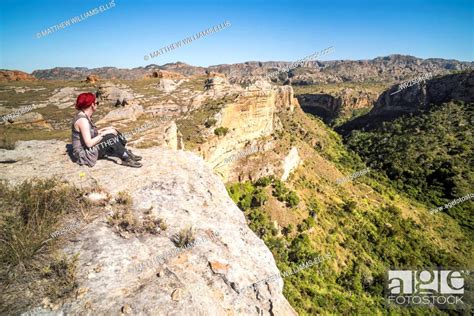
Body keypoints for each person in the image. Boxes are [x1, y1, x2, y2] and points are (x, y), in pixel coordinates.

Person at [71, 92, 142, 168]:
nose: (97, 104)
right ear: (92, 104)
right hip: (84, 153)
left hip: (88, 148)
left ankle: (125, 152)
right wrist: (104, 133)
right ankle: (125, 158)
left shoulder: (85, 116)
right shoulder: (83, 120)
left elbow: (90, 133)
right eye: (96, 103)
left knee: (113, 131)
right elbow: (89, 143)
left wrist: (106, 129)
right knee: (110, 137)